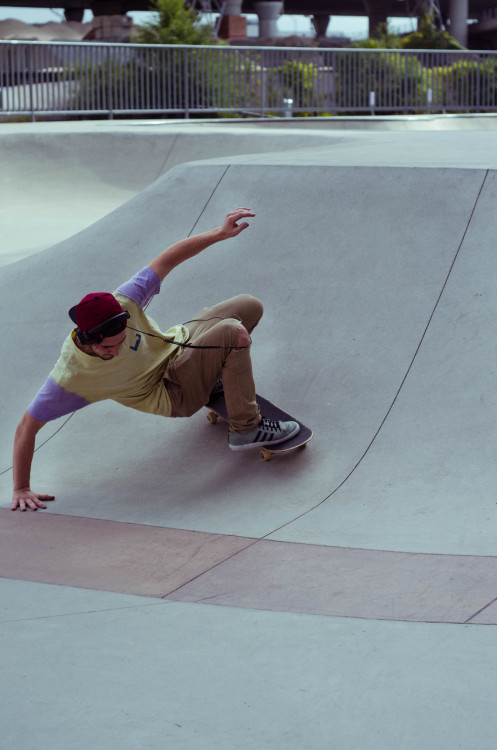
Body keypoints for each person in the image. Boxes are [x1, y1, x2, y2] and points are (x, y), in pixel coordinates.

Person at [11, 208, 299, 512]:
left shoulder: (124, 301)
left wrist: (220, 232)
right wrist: (21, 487)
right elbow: (26, 427)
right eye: (110, 349)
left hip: (179, 347)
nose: (117, 349)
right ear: (88, 340)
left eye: (122, 340)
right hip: (171, 393)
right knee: (233, 333)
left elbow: (168, 258)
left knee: (248, 306)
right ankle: (246, 429)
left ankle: (213, 377)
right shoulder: (71, 376)